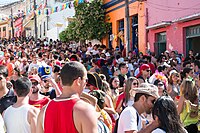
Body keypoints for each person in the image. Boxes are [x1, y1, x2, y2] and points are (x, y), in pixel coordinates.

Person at [36, 61, 98, 133]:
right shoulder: (85, 110)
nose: (86, 83)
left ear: (61, 81)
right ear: (78, 81)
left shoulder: (44, 110)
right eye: (86, 80)